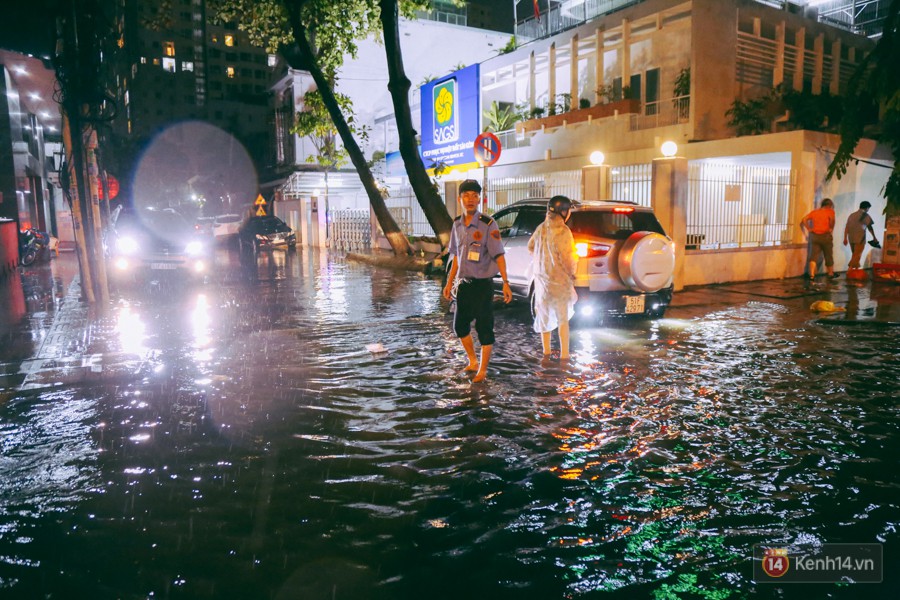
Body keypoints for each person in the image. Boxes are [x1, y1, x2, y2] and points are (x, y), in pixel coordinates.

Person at [442, 179, 513, 382]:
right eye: (466, 195)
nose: (470, 199)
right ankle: (472, 361)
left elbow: (499, 255)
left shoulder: (488, 224)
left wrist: (506, 282)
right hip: (464, 284)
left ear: (479, 199)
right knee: (460, 326)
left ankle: (483, 370)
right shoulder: (457, 224)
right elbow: (456, 257)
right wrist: (449, 282)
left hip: (483, 285)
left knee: (484, 328)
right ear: (460, 199)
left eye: (474, 195)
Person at [528, 195, 578, 360]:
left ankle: (546, 353)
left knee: (544, 318)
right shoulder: (564, 231)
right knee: (563, 320)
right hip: (560, 283)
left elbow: (530, 246)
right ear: (563, 212)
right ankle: (564, 357)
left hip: (542, 283)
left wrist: (543, 261)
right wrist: (572, 274)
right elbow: (568, 259)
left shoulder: (541, 227)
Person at [799, 197, 837, 279]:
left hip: (815, 236)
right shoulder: (830, 211)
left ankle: (812, 275)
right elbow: (832, 220)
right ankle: (830, 273)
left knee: (813, 256)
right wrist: (831, 228)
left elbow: (804, 219)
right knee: (828, 255)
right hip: (825, 236)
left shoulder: (815, 212)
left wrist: (809, 229)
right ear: (829, 205)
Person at [843, 200, 879, 270]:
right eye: (868, 208)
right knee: (857, 255)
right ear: (867, 208)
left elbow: (847, 227)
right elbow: (870, 227)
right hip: (860, 238)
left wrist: (845, 238)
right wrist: (874, 237)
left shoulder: (851, 215)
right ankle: (850, 270)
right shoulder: (865, 215)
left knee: (855, 254)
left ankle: (856, 270)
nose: (868, 210)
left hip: (851, 238)